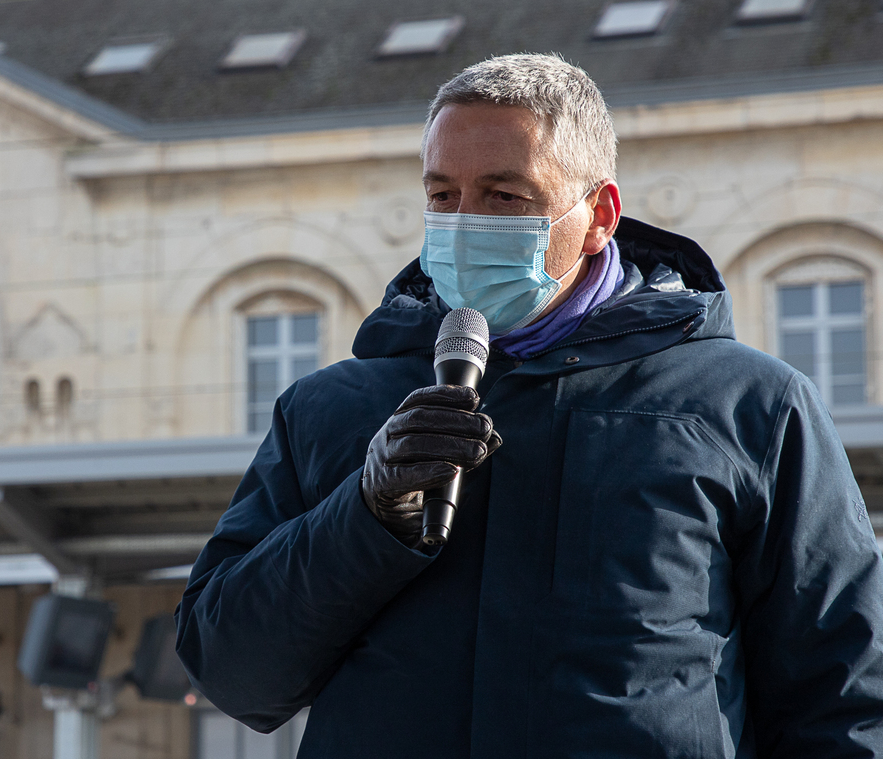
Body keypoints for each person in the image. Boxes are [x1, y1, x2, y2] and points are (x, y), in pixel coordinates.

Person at [175, 53, 883, 757]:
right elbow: (233, 675)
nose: (463, 223)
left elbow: (845, 699)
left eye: (503, 196)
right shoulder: (326, 408)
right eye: (442, 195)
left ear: (599, 215)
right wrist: (363, 517)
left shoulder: (751, 406)